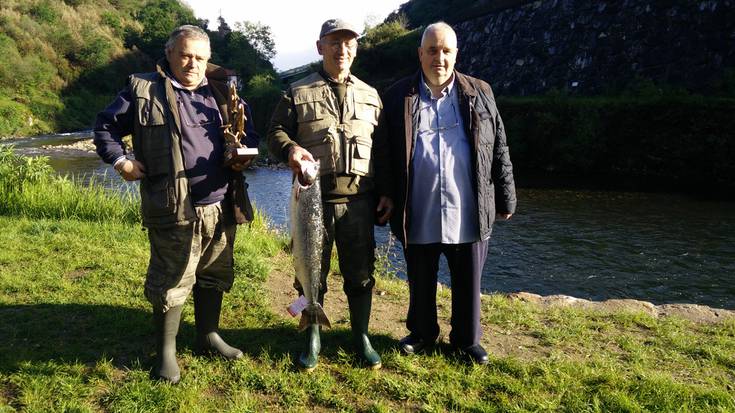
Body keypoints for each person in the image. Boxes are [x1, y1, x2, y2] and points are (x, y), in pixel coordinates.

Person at [93, 25, 259, 383]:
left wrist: (243, 155)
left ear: (208, 60)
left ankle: (208, 335)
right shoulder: (142, 89)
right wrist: (121, 161)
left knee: (214, 273)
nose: (192, 63)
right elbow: (105, 127)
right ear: (169, 54)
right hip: (172, 206)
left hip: (222, 204)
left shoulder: (223, 91)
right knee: (172, 278)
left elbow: (252, 135)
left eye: (199, 57)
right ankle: (166, 352)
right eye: (185, 54)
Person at [381, 22, 517, 365]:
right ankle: (423, 333)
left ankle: (467, 341)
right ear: (420, 54)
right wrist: (385, 194)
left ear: (455, 54)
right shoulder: (398, 95)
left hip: (468, 206)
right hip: (419, 204)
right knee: (420, 277)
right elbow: (383, 153)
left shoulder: (480, 91)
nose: (438, 58)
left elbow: (498, 145)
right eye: (431, 50)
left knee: (469, 280)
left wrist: (506, 196)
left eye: (445, 51)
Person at [268, 18, 393, 371]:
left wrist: (386, 193)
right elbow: (274, 131)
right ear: (320, 47)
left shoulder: (371, 95)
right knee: (310, 272)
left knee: (361, 272)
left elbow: (382, 151)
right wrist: (290, 149)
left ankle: (361, 336)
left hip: (359, 202)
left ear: (356, 48)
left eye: (349, 42)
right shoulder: (295, 91)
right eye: (334, 42)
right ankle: (312, 335)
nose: (342, 49)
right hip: (313, 202)